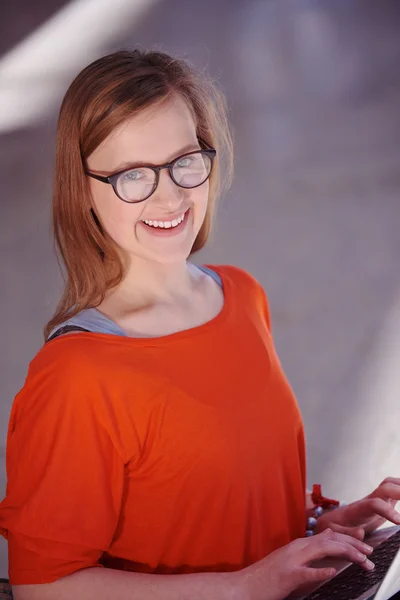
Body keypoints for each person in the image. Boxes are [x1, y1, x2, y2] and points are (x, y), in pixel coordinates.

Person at [0, 49, 399, 600]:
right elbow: (42, 587)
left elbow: (210, 505)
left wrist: (312, 529)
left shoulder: (240, 294)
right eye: (132, 174)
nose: (168, 194)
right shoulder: (76, 376)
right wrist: (243, 587)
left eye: (184, 160)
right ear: (83, 187)